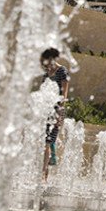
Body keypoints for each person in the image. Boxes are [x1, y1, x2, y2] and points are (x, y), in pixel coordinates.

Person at [41, 47, 70, 178]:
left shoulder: (62, 71)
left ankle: (44, 175)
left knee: (47, 142)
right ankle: (51, 158)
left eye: (45, 61)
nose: (43, 63)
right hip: (46, 111)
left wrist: (60, 112)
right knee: (44, 141)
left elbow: (64, 93)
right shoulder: (46, 73)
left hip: (56, 111)